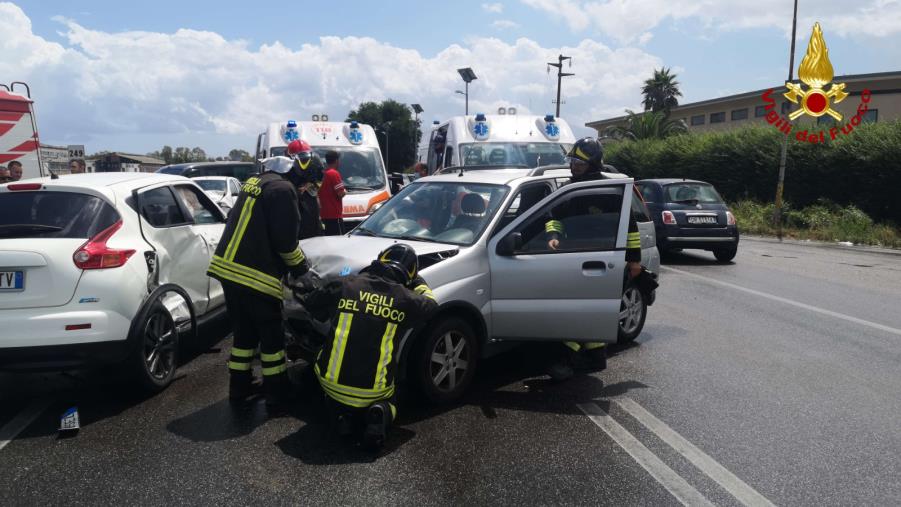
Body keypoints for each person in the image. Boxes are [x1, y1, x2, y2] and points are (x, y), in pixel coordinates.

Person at [304, 244, 438, 449]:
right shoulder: (404, 298)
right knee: (394, 397)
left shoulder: (347, 284)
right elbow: (431, 305)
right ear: (408, 274)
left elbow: (311, 302)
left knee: (323, 358)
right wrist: (417, 282)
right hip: (374, 391)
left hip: (331, 383)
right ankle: (380, 413)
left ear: (380, 259)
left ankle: (341, 415)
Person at [206, 155, 310, 412]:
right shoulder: (282, 190)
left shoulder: (254, 183)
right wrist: (302, 269)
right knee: (271, 336)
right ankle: (277, 391)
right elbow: (286, 242)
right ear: (292, 175)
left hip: (228, 271)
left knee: (244, 333)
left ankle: (239, 386)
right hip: (255, 275)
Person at [544, 137, 642, 381]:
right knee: (585, 311)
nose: (574, 165)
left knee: (576, 311)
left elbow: (629, 228)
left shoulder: (608, 191)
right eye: (573, 160)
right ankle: (595, 357)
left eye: (579, 162)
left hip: (601, 259)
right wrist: (554, 235)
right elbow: (552, 216)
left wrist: (634, 260)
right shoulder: (569, 188)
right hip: (573, 257)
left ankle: (568, 359)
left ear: (593, 163)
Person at [286, 140, 325, 240]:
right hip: (306, 205)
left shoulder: (287, 168)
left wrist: (308, 186)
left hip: (302, 205)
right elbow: (319, 180)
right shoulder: (314, 163)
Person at [319, 150, 347, 236]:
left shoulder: (323, 173)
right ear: (336, 160)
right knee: (338, 242)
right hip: (334, 216)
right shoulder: (334, 173)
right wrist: (345, 191)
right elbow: (341, 193)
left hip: (323, 215)